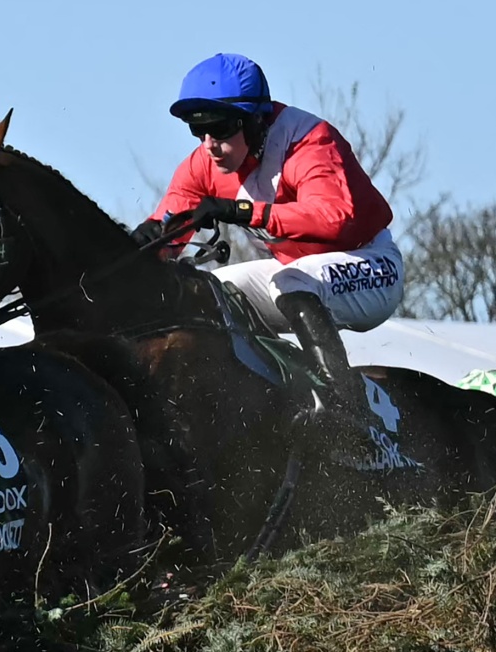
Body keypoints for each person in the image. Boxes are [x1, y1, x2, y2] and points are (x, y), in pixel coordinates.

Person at [132, 53, 401, 423]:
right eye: (199, 132)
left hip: (371, 267)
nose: (209, 145)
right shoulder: (205, 164)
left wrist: (241, 211)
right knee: (211, 290)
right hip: (298, 277)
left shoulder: (309, 143)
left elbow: (334, 218)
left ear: (255, 120)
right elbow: (169, 226)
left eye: (221, 128)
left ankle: (345, 410)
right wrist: (145, 243)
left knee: (291, 281)